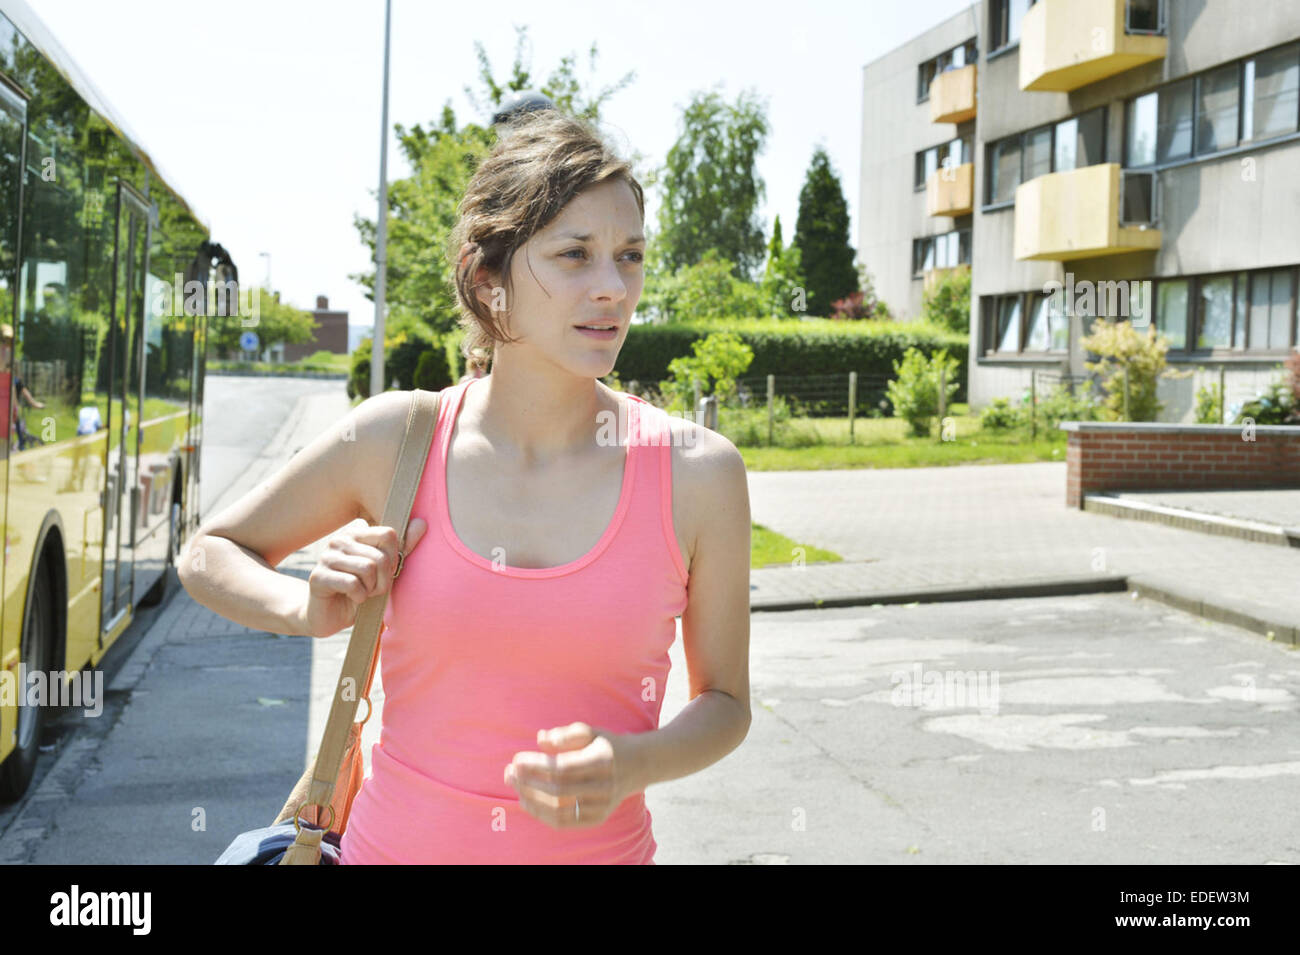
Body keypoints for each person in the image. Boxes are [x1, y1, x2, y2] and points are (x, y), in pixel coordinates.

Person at [179, 108, 752, 864]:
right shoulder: (396, 439)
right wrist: (304, 606)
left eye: (630, 254)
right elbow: (208, 553)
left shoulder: (698, 472)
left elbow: (726, 704)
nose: (614, 286)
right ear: (490, 279)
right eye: (575, 254)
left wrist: (632, 761)